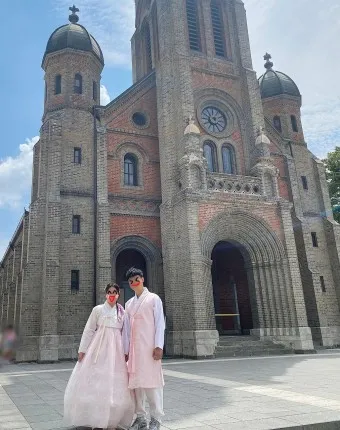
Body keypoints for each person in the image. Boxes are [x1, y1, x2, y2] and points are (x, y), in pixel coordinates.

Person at [64, 283, 134, 430]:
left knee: (114, 382)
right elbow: (89, 329)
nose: (112, 294)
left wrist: (126, 351)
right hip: (98, 348)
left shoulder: (122, 313)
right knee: (96, 379)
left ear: (118, 294)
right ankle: (94, 416)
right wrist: (83, 349)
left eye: (115, 292)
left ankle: (113, 417)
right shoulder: (98, 310)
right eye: (109, 292)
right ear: (105, 294)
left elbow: (126, 333)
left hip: (116, 350)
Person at [123, 267, 165, 430]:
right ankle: (140, 418)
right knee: (136, 386)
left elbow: (160, 323)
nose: (134, 283)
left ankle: (156, 418)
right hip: (134, 352)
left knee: (152, 384)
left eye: (136, 279)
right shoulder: (128, 303)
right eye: (131, 281)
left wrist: (158, 346)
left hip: (149, 349)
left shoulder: (154, 299)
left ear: (143, 279)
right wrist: (125, 351)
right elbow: (126, 330)